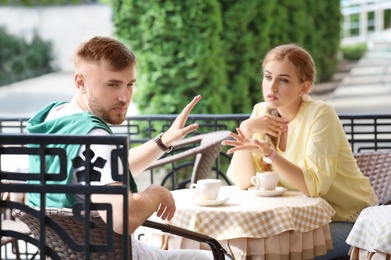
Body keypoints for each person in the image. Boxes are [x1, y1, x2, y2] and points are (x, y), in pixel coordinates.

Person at [26, 36, 229, 260]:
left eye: (130, 84)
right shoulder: (96, 137)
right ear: (80, 82)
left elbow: (103, 171)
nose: (125, 97)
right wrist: (156, 192)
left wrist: (163, 141)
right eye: (113, 84)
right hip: (121, 255)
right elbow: (123, 217)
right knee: (219, 255)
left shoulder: (52, 120)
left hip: (68, 254)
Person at [222, 43, 378, 259]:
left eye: (283, 80)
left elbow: (313, 186)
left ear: (303, 88)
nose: (272, 87)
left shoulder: (320, 114)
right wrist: (247, 128)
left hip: (350, 221)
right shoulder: (260, 112)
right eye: (268, 77)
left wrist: (271, 154)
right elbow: (244, 182)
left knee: (281, 253)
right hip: (301, 222)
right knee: (242, 248)